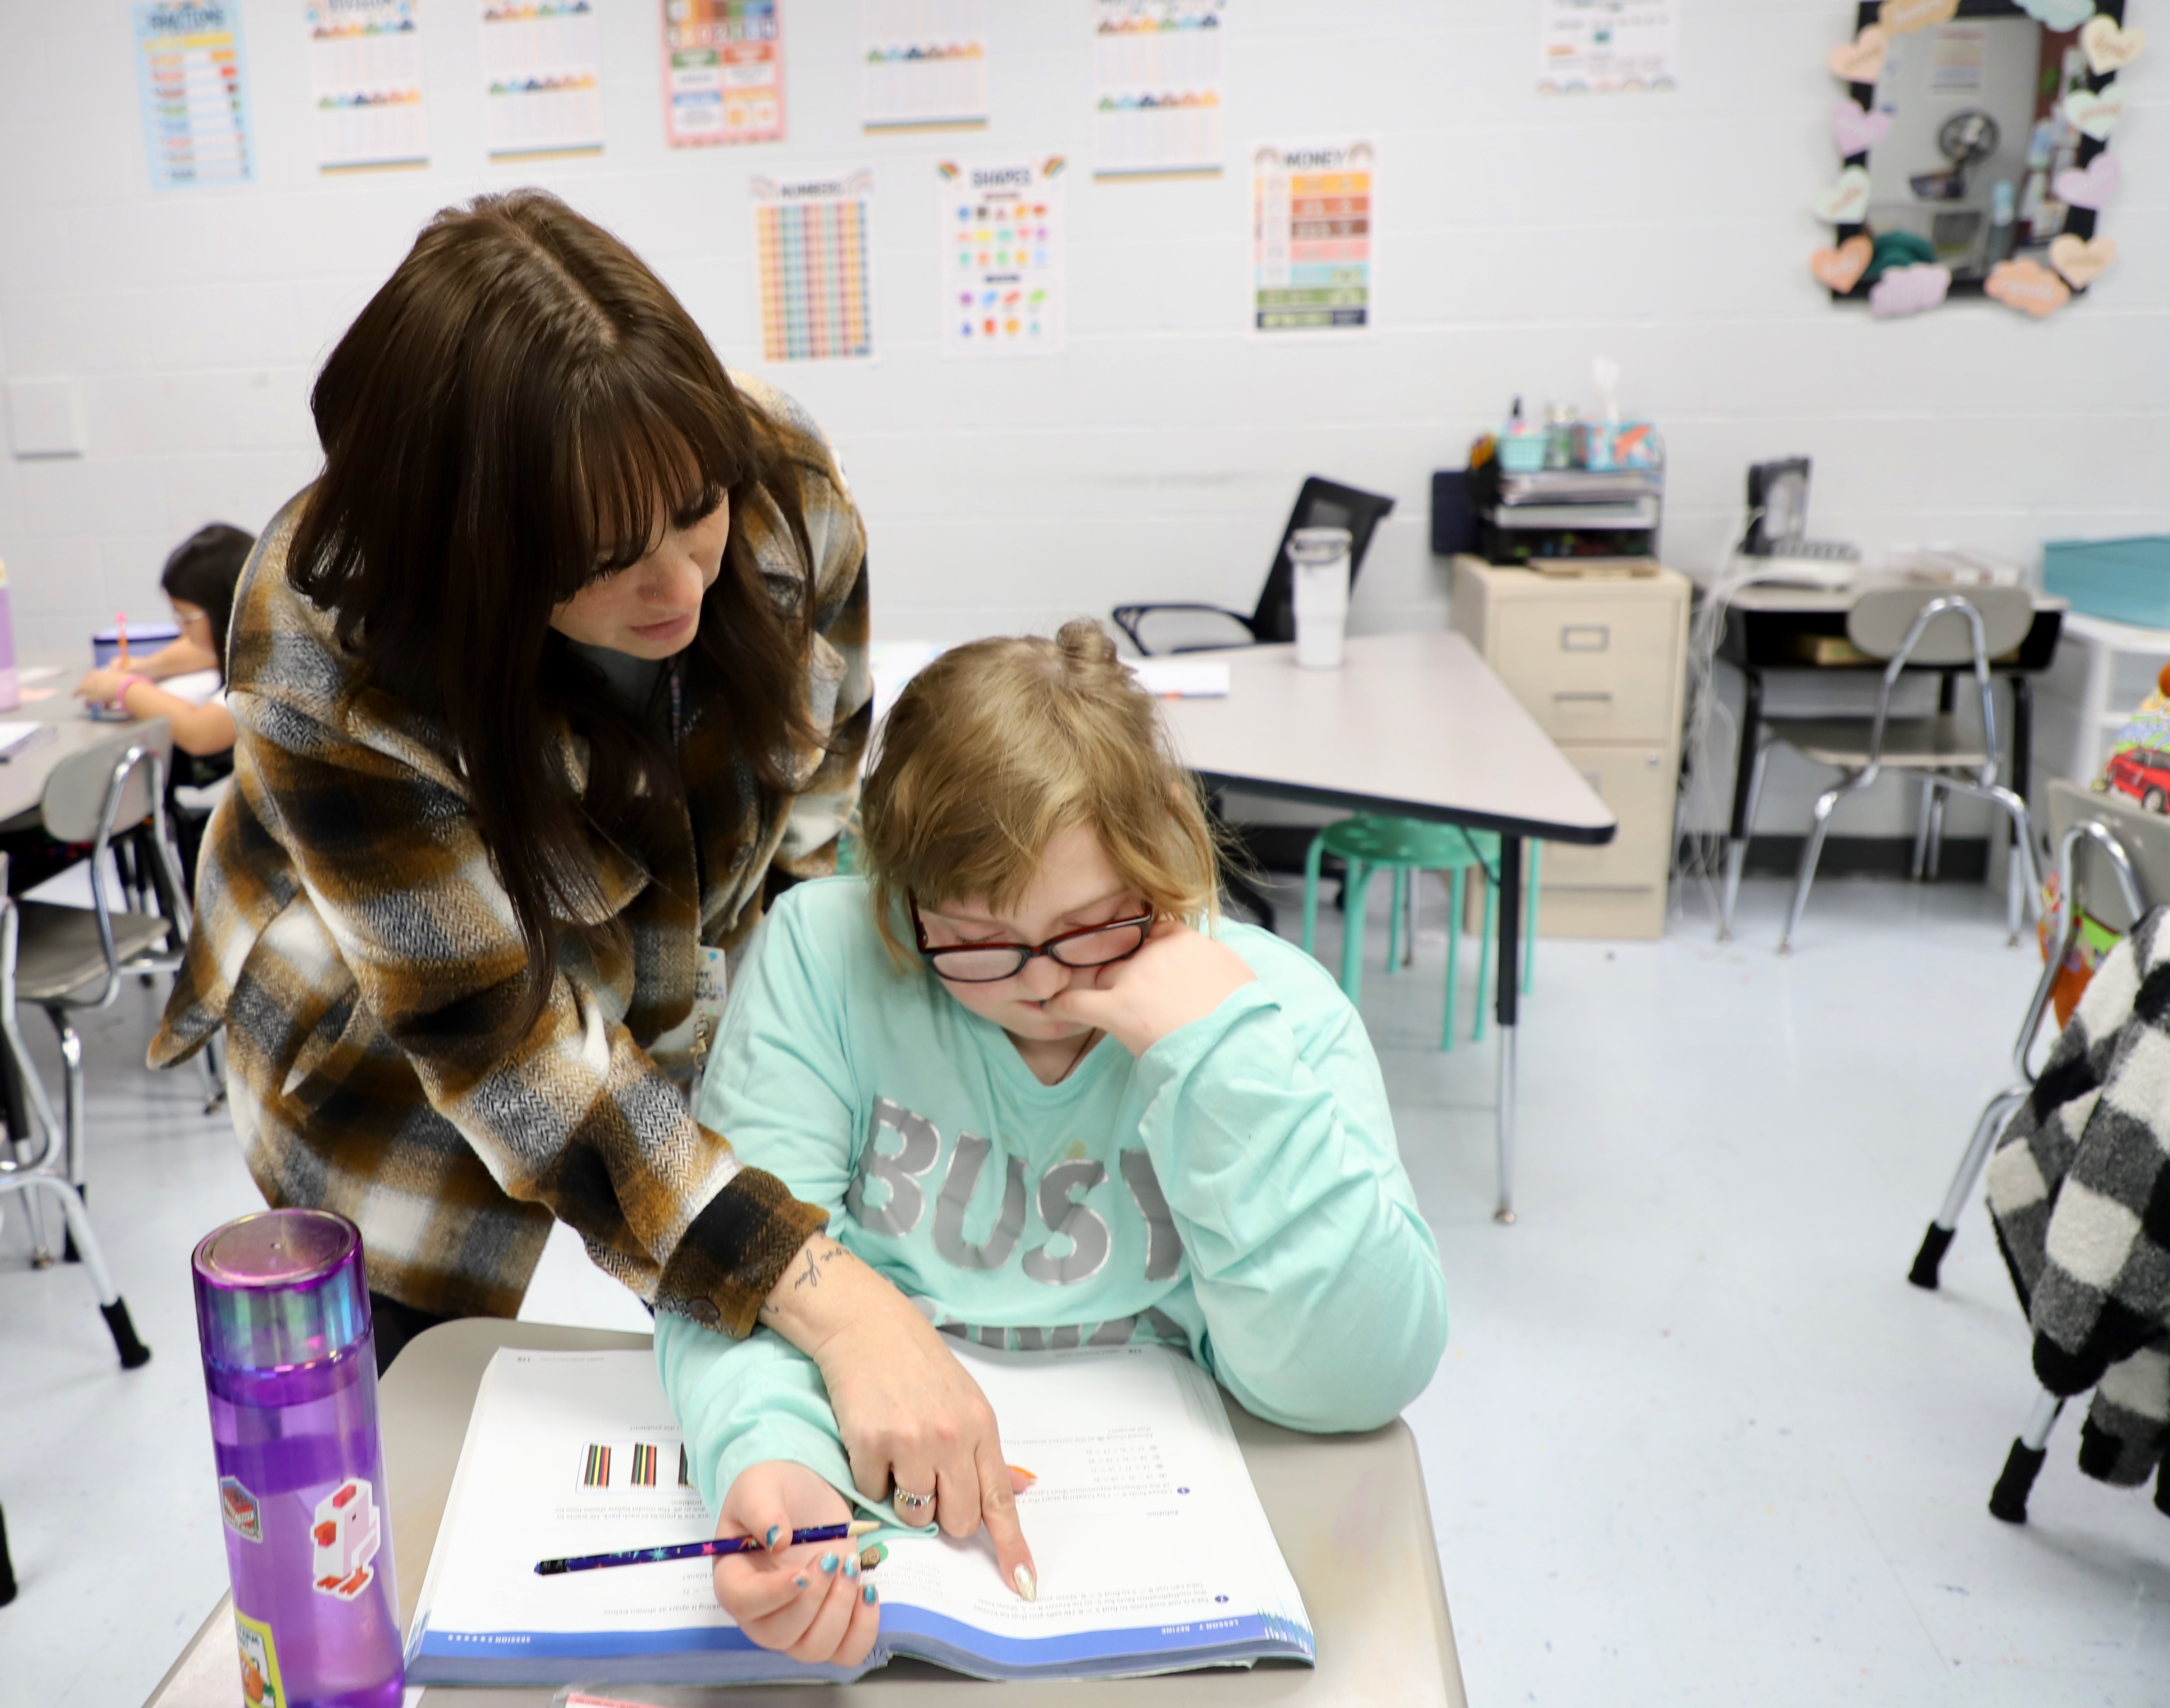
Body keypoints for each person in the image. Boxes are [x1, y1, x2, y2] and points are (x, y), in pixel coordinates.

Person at [151, 191, 1037, 1580]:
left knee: (757, 1303)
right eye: (600, 562)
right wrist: (831, 1298)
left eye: (694, 517)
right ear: (469, 551)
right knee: (416, 1481)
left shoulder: (776, 476)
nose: (680, 583)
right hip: (391, 1046)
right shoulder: (331, 633)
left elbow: (819, 818)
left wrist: (832, 1082)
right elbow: (513, 1057)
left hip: (682, 965)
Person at [655, 623, 1448, 1665]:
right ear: (896, 894)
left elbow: (1356, 1376)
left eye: (1089, 927)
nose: (1038, 981)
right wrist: (771, 1454)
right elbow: (747, 1265)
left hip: (1171, 1531)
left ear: (1159, 857)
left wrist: (1216, 1054)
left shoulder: (1270, 1012)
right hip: (892, 1526)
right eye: (977, 942)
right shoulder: (825, 955)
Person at [74, 523, 251, 876]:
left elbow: (202, 734)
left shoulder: (268, 662)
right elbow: (205, 650)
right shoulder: (256, 626)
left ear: (225, 607)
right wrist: (146, 668)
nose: (181, 629)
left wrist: (126, 691)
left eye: (186, 617)